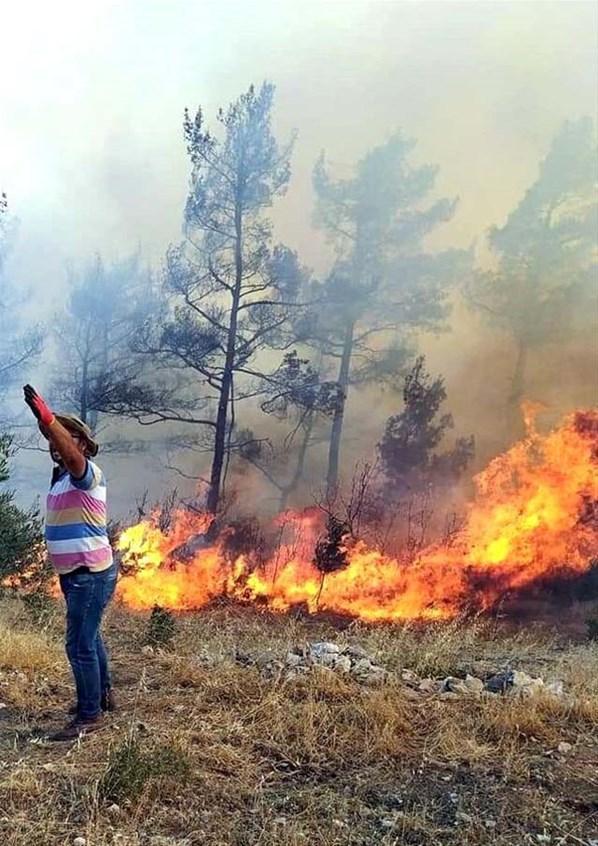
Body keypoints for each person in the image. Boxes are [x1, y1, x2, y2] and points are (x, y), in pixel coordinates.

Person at [23, 384, 117, 741]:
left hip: (88, 574)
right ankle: (102, 695)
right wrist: (45, 424)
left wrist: (49, 419)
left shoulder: (86, 472)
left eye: (62, 436)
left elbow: (73, 457)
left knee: (78, 644)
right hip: (75, 574)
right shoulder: (62, 477)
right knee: (89, 637)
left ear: (80, 442)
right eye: (52, 436)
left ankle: (89, 715)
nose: (55, 442)